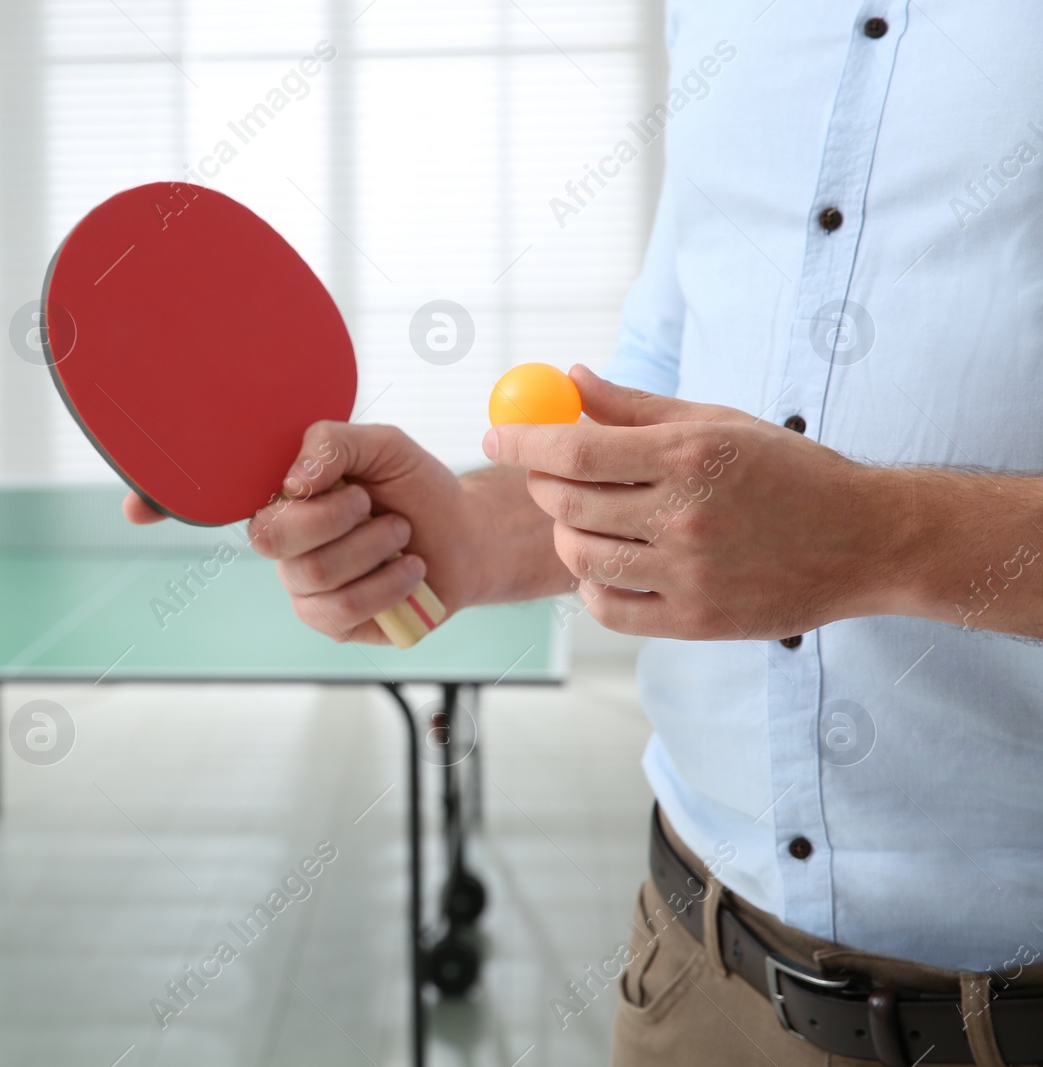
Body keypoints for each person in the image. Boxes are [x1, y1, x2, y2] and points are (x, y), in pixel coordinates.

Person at [126, 3, 1043, 1064]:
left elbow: (816, 517)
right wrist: (462, 532)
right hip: (695, 969)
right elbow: (656, 415)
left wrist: (879, 538)